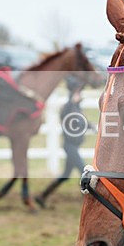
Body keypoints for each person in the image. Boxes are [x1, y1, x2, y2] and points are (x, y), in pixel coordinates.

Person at [34, 75, 91, 208]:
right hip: (70, 147)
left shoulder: (75, 107)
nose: (80, 94)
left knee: (65, 175)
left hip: (72, 146)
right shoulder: (69, 107)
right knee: (85, 173)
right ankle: (92, 203)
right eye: (78, 91)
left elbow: (80, 121)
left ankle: (42, 196)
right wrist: (73, 102)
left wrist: (90, 126)